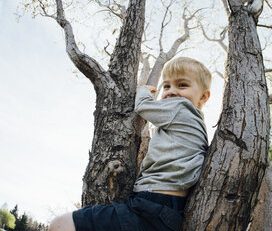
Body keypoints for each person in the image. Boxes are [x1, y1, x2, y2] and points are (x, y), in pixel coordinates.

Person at [49, 57, 212, 231]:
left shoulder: (180, 108)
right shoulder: (196, 126)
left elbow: (142, 105)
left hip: (152, 206)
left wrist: (143, 91)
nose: (171, 92)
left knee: (60, 225)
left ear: (203, 96)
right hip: (169, 210)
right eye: (166, 86)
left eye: (182, 85)